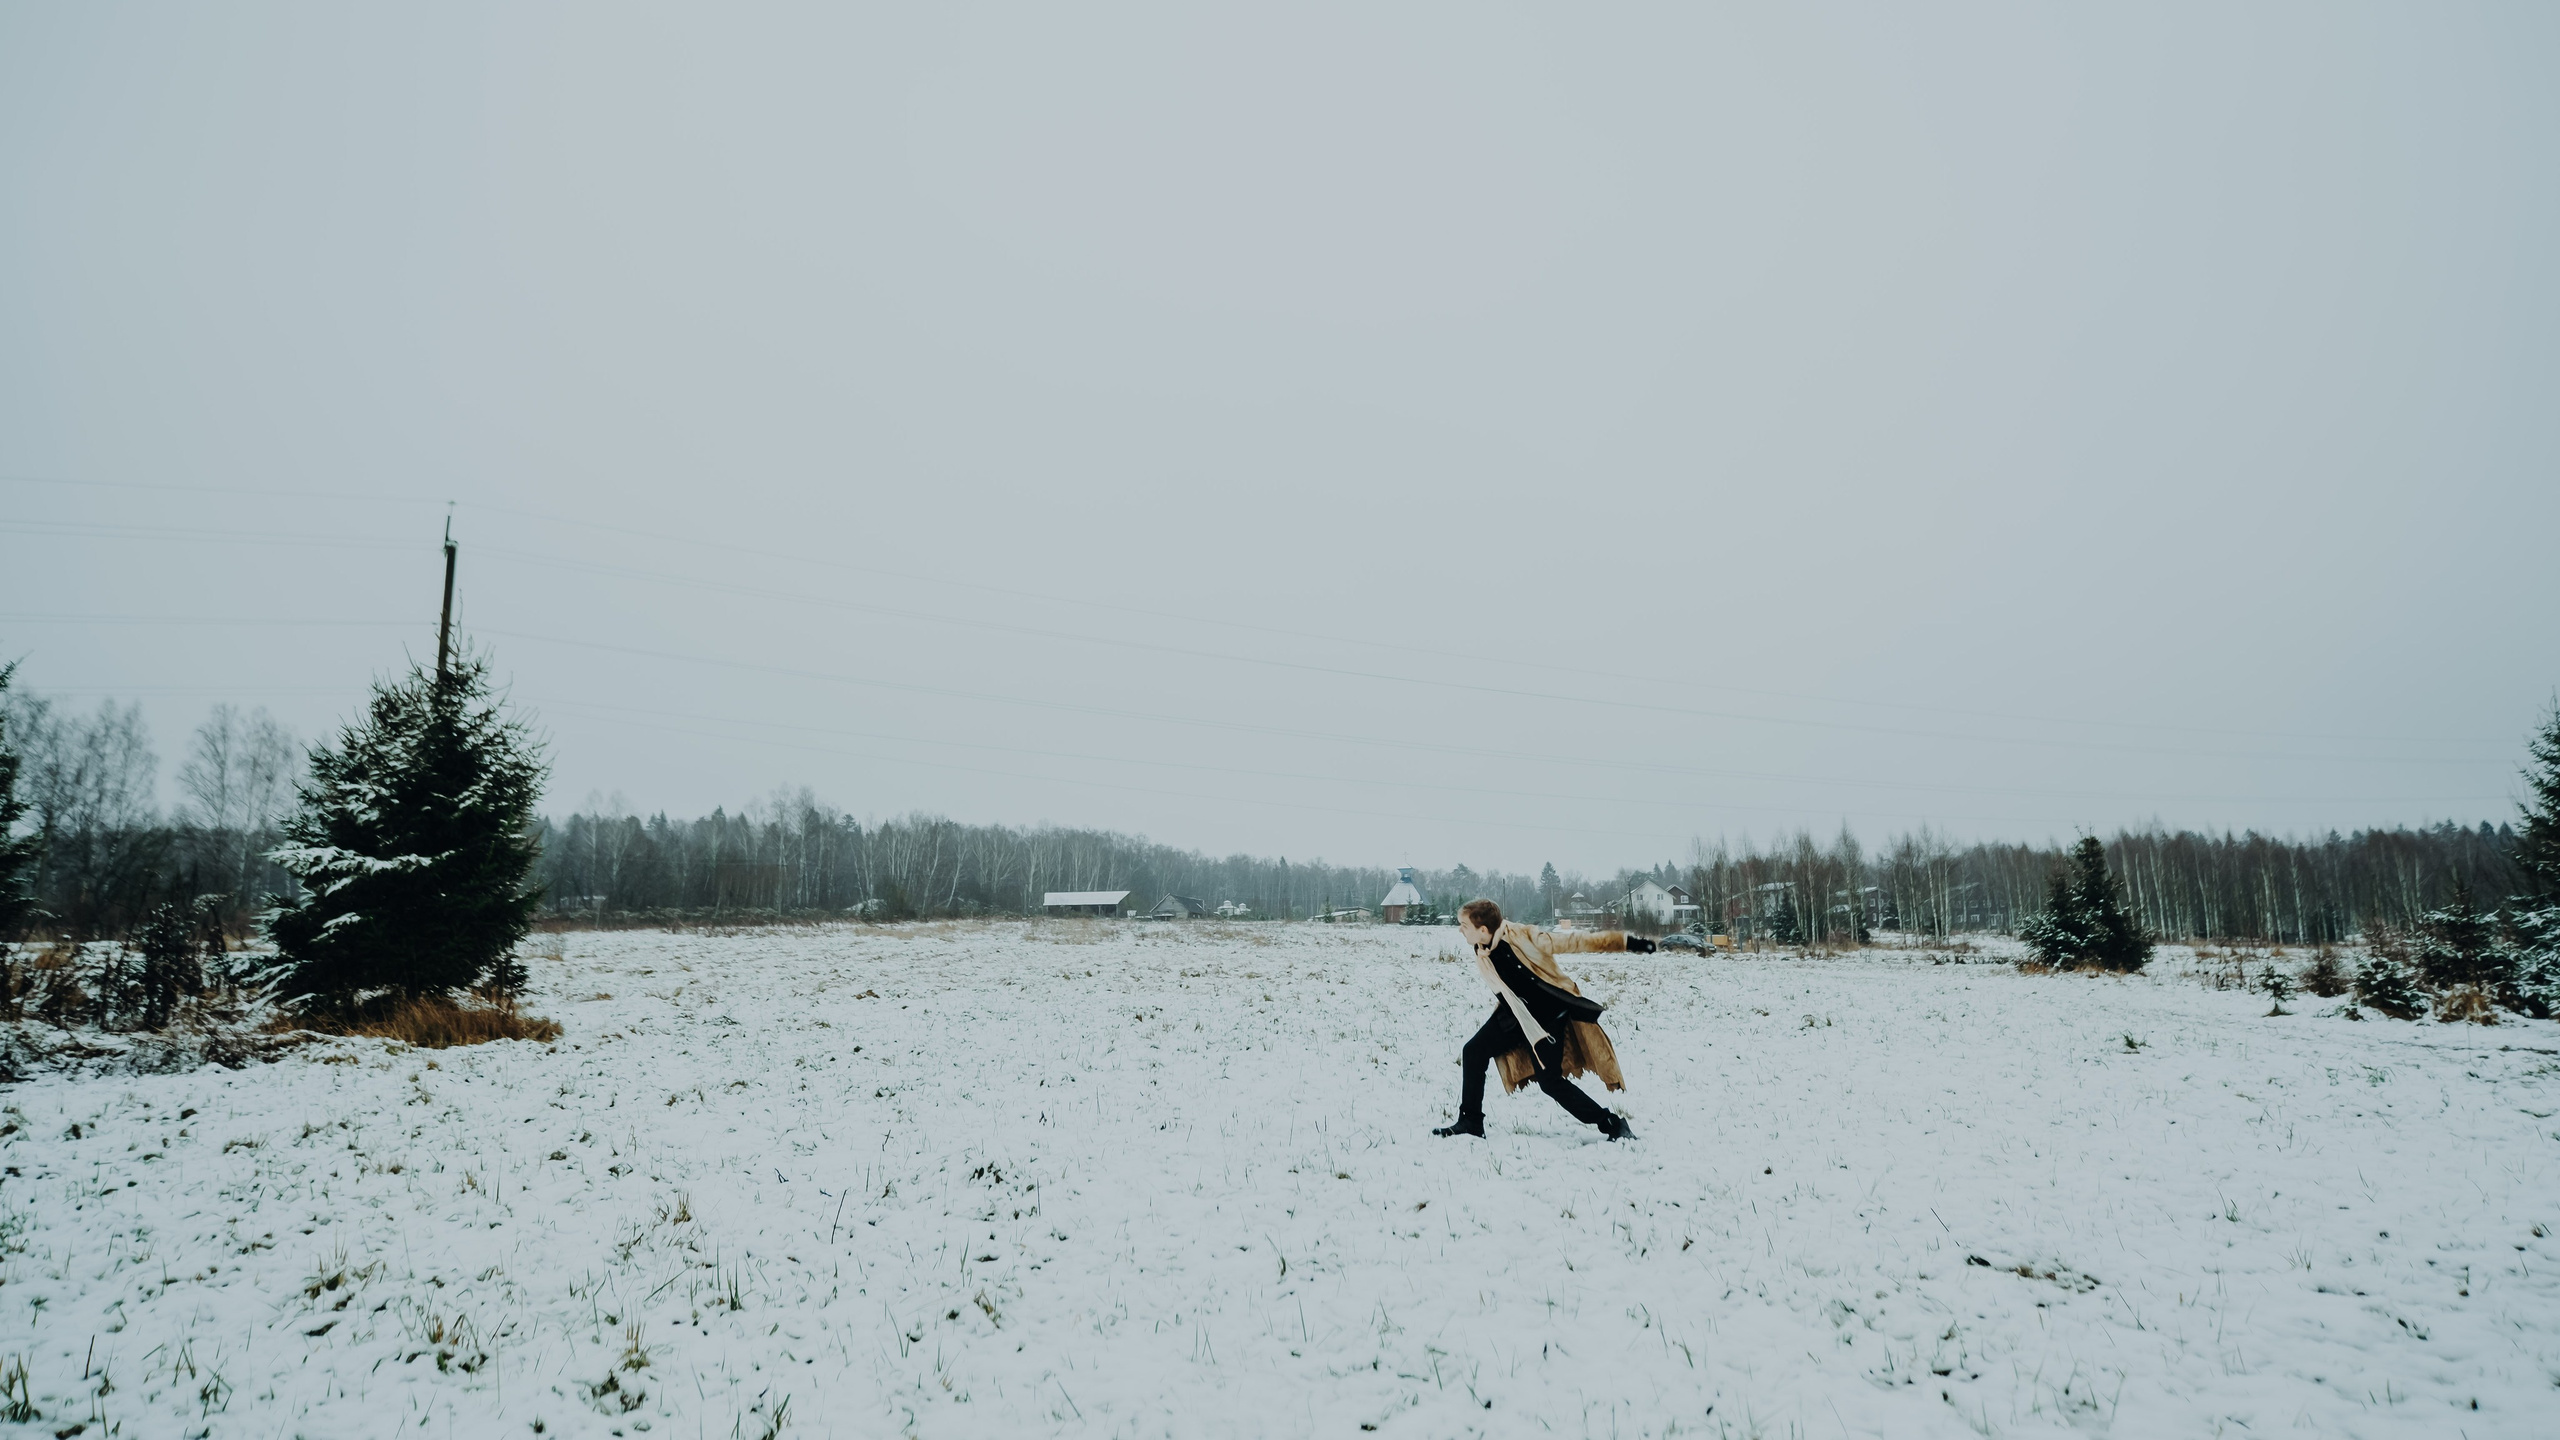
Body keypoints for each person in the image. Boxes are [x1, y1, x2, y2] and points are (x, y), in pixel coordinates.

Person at [1435, 898, 1652, 1141]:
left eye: (1464, 925)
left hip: (1547, 1019)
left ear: (1483, 929)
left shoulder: (1524, 937)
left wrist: (1626, 942)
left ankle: (1612, 1124)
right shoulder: (1482, 948)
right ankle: (1471, 1122)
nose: (1460, 930)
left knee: (1550, 1083)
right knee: (1473, 1051)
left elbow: (1575, 941)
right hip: (1515, 1015)